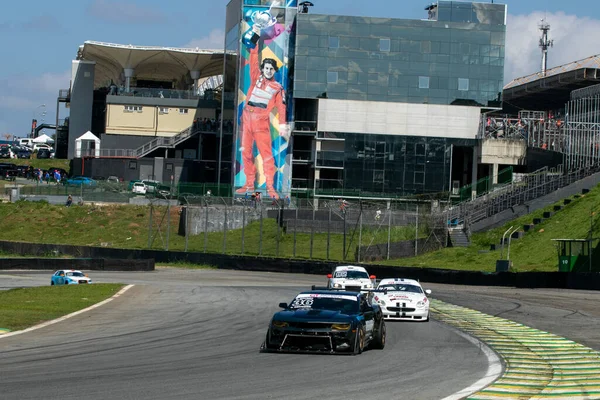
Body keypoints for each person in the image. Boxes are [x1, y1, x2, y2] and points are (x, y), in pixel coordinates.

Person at [236, 24, 289, 200]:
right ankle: (249, 183)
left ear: (274, 71)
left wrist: (282, 125)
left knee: (266, 156)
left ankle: (271, 187)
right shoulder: (256, 77)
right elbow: (253, 56)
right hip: (247, 118)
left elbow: (282, 108)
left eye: (270, 69)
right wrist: (257, 36)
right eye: (265, 67)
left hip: (260, 122)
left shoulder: (277, 88)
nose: (267, 70)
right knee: (246, 152)